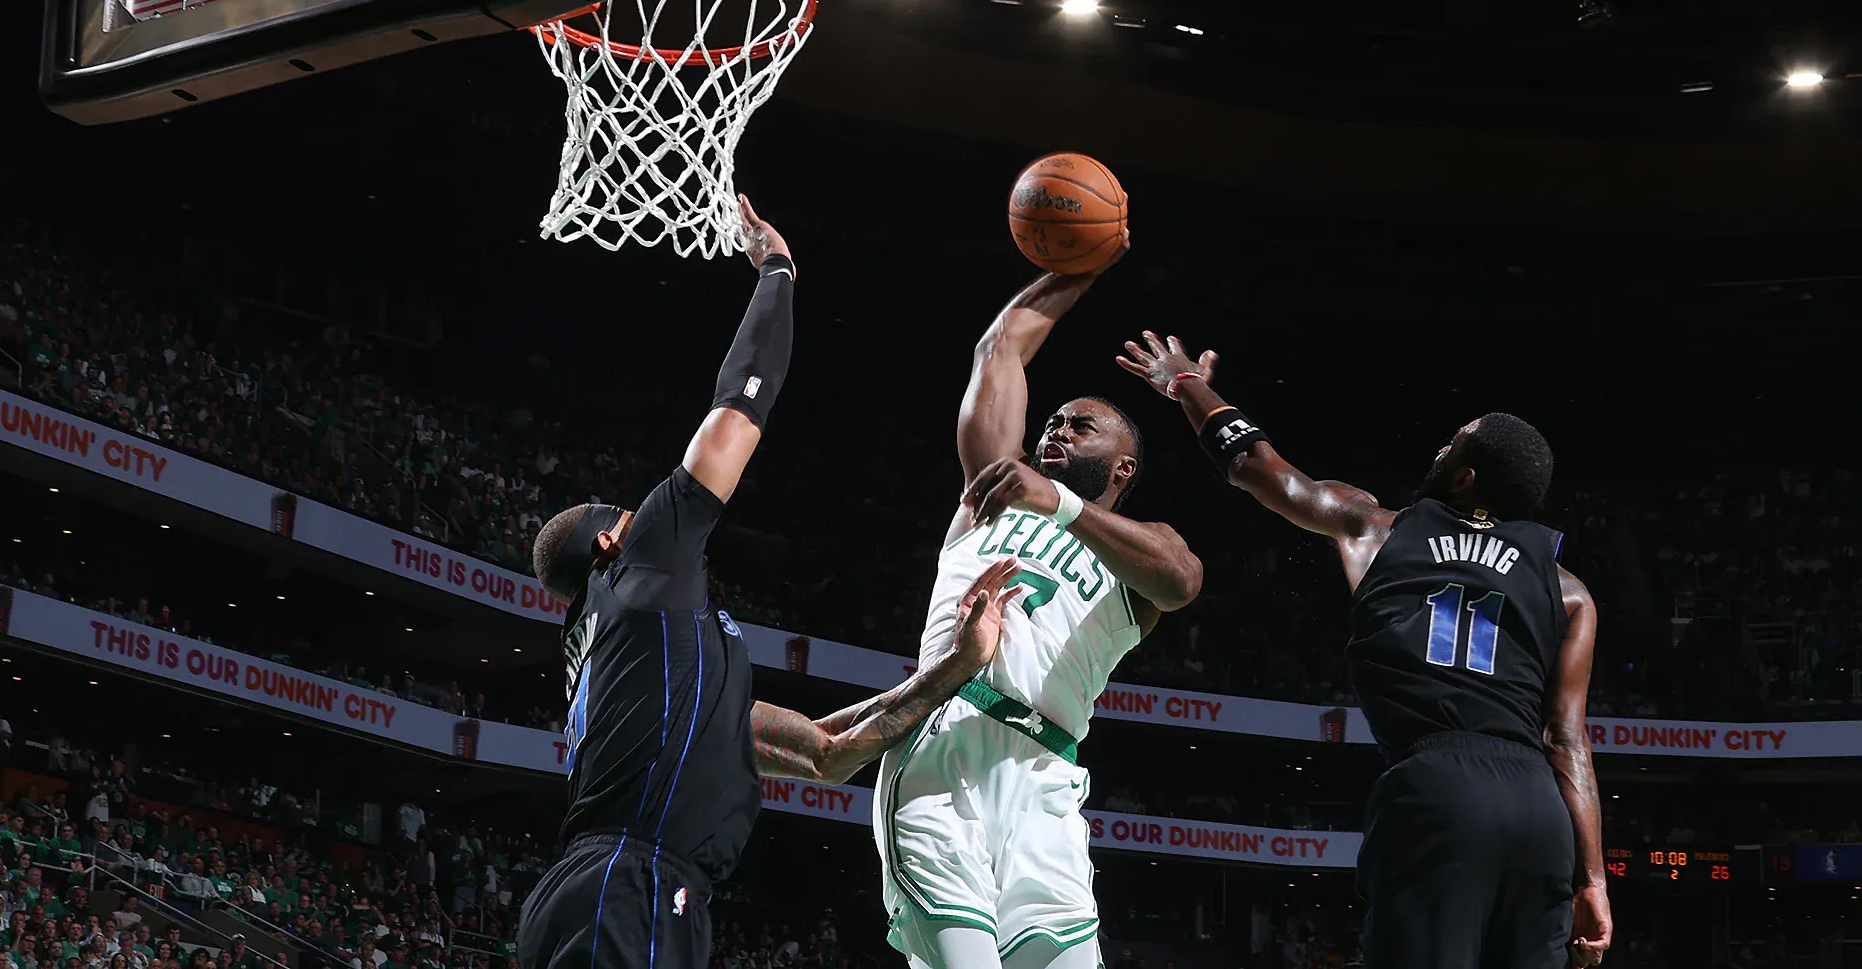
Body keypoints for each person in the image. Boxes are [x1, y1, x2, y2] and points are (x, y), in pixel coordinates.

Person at [515, 198, 1022, 969]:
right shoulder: (639, 566)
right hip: (630, 881)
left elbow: (828, 752)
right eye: (629, 511)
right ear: (612, 541)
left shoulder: (654, 669)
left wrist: (958, 663)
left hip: (613, 885)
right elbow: (740, 405)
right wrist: (777, 272)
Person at [1116, 331, 1613, 969]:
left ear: (1463, 477)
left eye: (1453, 441)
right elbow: (1567, 741)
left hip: (1439, 790)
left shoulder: (1375, 529)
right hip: (1540, 813)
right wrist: (1592, 878)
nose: (1440, 445)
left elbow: (1255, 468)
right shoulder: (1569, 590)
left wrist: (1185, 384)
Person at [874, 266, 1204, 969]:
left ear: (1122, 468)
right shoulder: (988, 492)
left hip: (1047, 780)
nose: (1056, 430)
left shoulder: (1139, 553)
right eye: (1052, 422)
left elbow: (1181, 580)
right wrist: (1079, 266)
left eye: (1080, 428)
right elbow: (999, 349)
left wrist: (1058, 503)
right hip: (946, 743)